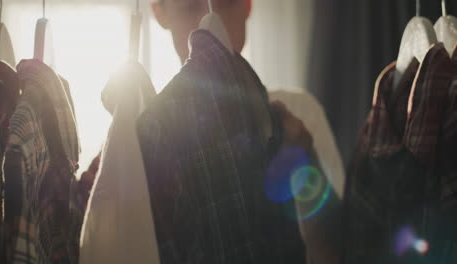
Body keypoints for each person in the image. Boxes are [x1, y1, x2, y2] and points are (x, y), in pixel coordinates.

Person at [144, 0, 342, 263]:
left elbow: (334, 251)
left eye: (226, 3)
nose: (210, 19)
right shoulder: (150, 135)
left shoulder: (301, 111)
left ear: (248, 5)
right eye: (191, 7)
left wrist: (303, 165)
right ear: (160, 14)